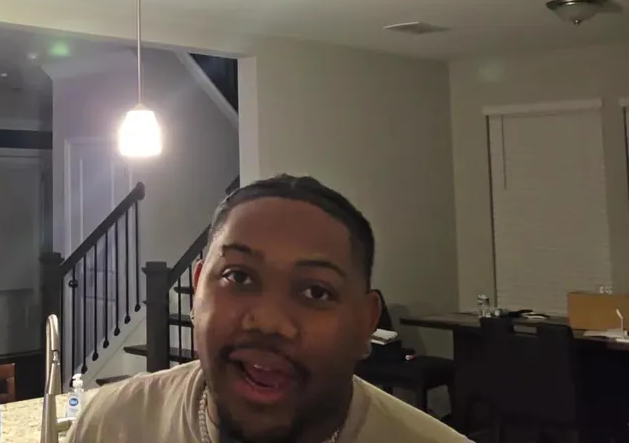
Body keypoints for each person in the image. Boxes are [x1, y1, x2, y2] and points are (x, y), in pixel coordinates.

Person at [65, 174, 464, 443]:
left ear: (366, 324)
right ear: (198, 288)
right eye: (238, 276)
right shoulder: (110, 426)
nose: (269, 322)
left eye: (316, 292)